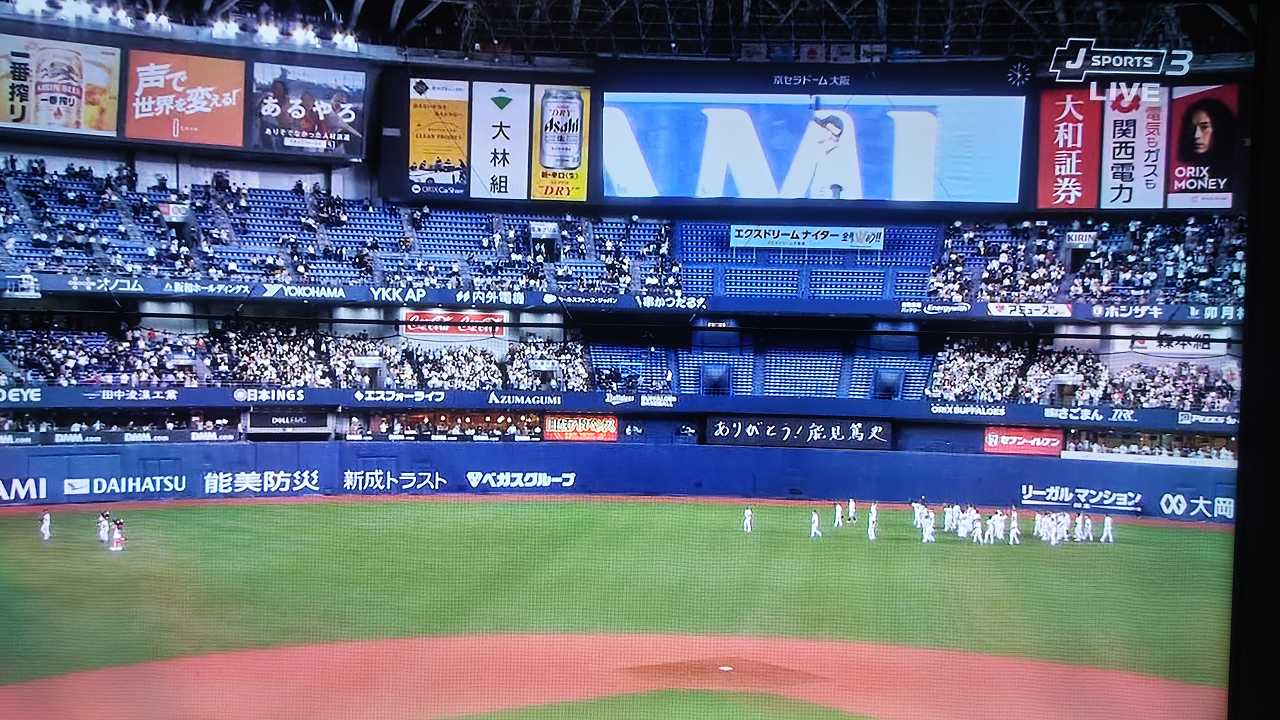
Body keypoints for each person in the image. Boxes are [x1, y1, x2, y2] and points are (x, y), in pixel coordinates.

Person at [1176, 97, 1237, 183]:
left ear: (1220, 127)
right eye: (1192, 128)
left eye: (1204, 127)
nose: (1196, 135)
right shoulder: (1198, 174)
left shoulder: (1237, 173)